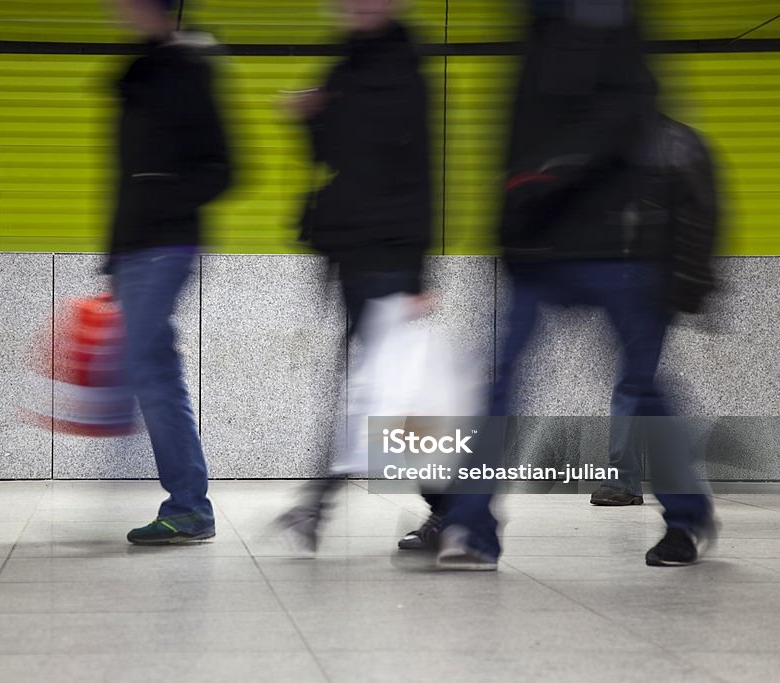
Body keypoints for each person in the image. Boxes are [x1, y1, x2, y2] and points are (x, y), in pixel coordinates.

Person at [436, 0, 718, 569]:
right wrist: (508, 225)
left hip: (614, 243)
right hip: (538, 244)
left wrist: (551, 174)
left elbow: (627, 117)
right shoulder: (533, 24)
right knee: (503, 386)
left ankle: (687, 518)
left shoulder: (617, 18)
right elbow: (511, 135)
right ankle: (469, 527)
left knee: (640, 389)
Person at [273, 0, 436, 553]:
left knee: (381, 391)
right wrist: (309, 117)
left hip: (389, 254)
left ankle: (321, 503)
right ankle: (322, 503)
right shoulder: (345, 65)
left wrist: (418, 272)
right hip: (352, 250)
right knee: (374, 389)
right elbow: (331, 156)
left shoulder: (406, 68)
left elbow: (422, 172)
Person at [106, 0, 231, 544]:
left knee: (145, 368)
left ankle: (189, 505)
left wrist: (163, 203)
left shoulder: (188, 69)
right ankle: (188, 506)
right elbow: (125, 177)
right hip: (134, 248)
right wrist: (115, 253)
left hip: (168, 243)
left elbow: (225, 167)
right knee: (152, 369)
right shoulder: (136, 72)